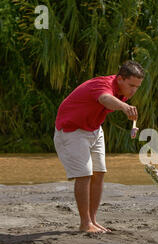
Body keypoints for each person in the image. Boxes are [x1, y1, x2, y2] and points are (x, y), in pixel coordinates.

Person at [54, 60, 144, 233]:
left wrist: (132, 122)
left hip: (94, 130)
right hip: (72, 130)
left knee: (99, 173)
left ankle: (93, 220)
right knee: (84, 175)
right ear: (120, 79)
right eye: (131, 85)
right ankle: (85, 223)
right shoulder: (103, 85)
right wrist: (125, 107)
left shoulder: (122, 91)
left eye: (137, 87)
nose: (133, 90)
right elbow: (105, 99)